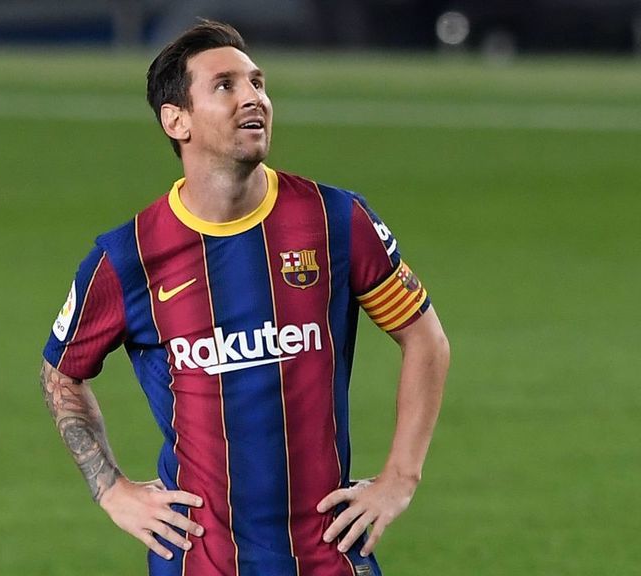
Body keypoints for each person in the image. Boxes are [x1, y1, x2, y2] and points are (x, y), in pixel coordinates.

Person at [40, 19, 449, 576]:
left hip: (327, 553)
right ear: (176, 120)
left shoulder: (336, 220)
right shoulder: (129, 257)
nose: (253, 97)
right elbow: (61, 372)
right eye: (225, 86)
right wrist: (111, 490)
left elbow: (425, 338)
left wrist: (400, 477)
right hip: (199, 558)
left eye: (257, 82)